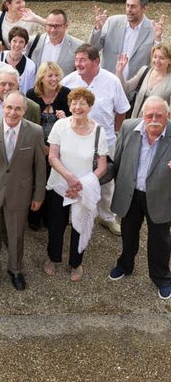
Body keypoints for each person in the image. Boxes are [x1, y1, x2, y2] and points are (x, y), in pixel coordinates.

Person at [0, 91, 46, 292]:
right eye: (9, 107)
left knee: (16, 234)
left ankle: (15, 270)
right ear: (3, 107)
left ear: (24, 110)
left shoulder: (35, 132)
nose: (13, 112)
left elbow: (40, 166)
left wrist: (39, 194)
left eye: (18, 108)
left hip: (19, 193)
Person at [62, 44, 130, 236]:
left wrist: (114, 131)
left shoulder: (112, 80)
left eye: (82, 60)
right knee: (76, 174)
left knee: (107, 180)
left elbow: (122, 110)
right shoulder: (68, 81)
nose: (78, 64)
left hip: (105, 140)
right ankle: (72, 213)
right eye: (76, 60)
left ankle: (107, 216)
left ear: (96, 61)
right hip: (77, 140)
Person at [109, 96, 171, 299]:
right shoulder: (129, 127)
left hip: (162, 195)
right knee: (128, 232)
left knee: (159, 240)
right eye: (149, 115)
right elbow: (116, 160)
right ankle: (125, 265)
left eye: (159, 115)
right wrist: (96, 178)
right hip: (131, 193)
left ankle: (161, 277)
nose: (154, 119)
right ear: (142, 115)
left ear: (167, 116)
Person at [43, 88, 107, 282]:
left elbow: (102, 166)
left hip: (83, 188)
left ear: (90, 106)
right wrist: (69, 177)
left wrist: (81, 184)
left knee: (80, 225)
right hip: (60, 184)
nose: (77, 107)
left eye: (82, 103)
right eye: (74, 103)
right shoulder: (60, 126)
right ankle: (53, 258)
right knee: (56, 225)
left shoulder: (99, 131)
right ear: (69, 105)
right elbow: (52, 156)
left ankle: (76, 263)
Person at [26, 61, 71, 230]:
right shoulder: (32, 95)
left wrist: (65, 117)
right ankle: (33, 216)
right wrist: (41, 147)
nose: (54, 79)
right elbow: (26, 122)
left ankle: (50, 217)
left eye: (56, 75)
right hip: (36, 146)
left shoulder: (66, 94)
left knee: (54, 182)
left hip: (59, 148)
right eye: (49, 75)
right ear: (41, 78)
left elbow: (74, 123)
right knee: (36, 180)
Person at [90, 0, 165, 77]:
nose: (129, 10)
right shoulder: (112, 22)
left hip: (135, 86)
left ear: (144, 8)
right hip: (108, 81)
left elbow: (157, 60)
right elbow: (93, 49)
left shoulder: (153, 29)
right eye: (127, 5)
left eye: (133, 6)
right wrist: (98, 28)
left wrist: (158, 39)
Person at [116, 44, 171, 119]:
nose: (157, 61)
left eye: (162, 58)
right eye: (155, 57)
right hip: (134, 122)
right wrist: (119, 72)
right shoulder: (144, 71)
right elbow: (127, 88)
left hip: (155, 126)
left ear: (169, 61)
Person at [26, 9, 83, 76]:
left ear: (66, 26)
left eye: (57, 26)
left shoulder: (78, 46)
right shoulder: (33, 42)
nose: (53, 30)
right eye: (50, 25)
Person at [0, 27, 36, 94]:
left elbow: (30, 90)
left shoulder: (30, 65)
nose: (17, 45)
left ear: (25, 44)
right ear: (9, 42)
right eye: (14, 41)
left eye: (21, 42)